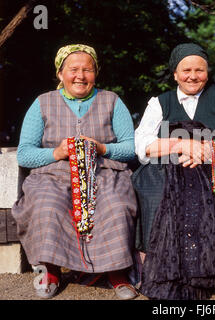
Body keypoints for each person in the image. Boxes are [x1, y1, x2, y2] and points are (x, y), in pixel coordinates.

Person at [12, 44, 139, 299]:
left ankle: (116, 272)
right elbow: (24, 153)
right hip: (52, 175)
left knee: (116, 203)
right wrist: (56, 153)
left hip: (103, 172)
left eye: (87, 70)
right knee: (47, 203)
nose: (80, 76)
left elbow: (132, 147)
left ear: (96, 73)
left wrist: (103, 147)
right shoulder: (42, 103)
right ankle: (50, 270)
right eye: (73, 69)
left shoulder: (111, 100)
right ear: (60, 73)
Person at [133, 43, 215, 299]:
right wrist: (180, 144)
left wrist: (207, 148)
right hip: (170, 165)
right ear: (175, 74)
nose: (192, 76)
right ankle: (159, 269)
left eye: (199, 70)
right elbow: (141, 145)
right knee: (154, 190)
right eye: (186, 70)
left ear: (207, 72)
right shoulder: (159, 102)